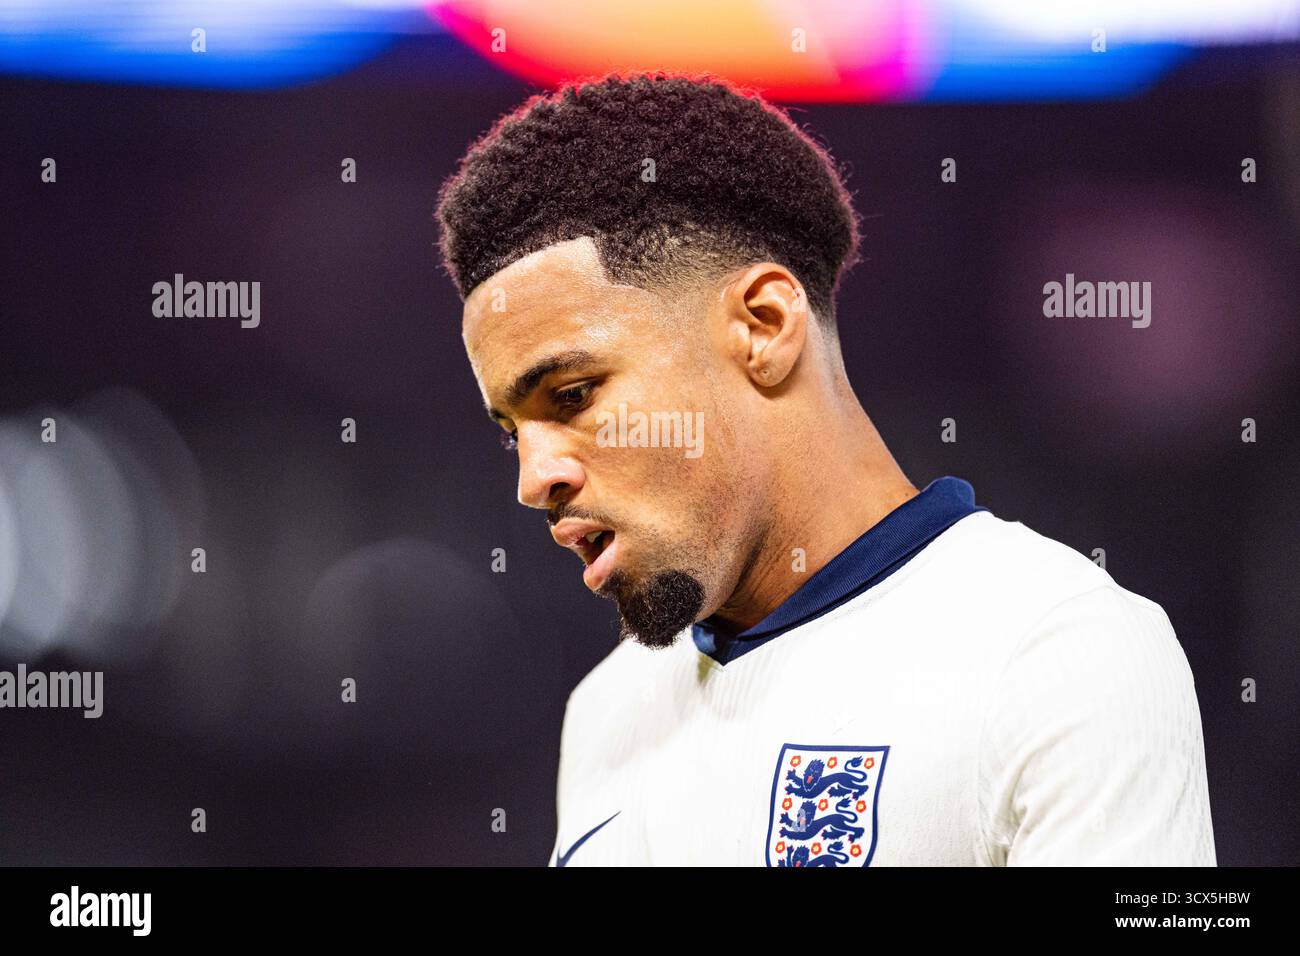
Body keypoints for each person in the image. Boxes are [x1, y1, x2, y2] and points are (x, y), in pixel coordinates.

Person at [435, 72, 1216, 866]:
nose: (534, 480)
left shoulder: (1057, 650)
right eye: (512, 433)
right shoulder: (605, 711)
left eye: (571, 394)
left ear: (764, 327)